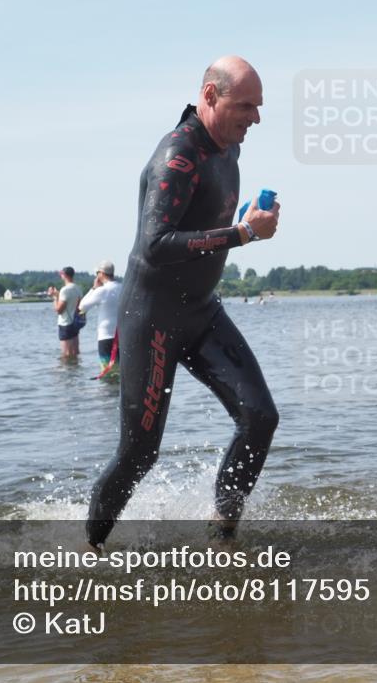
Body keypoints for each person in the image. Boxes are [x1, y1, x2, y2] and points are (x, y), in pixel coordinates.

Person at [87, 56, 280, 549]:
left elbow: (204, 218)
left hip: (201, 311)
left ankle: (223, 531)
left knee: (260, 416)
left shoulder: (228, 149)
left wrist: (243, 219)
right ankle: (90, 548)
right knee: (139, 454)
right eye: (247, 106)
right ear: (210, 96)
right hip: (151, 318)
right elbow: (155, 245)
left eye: (258, 107)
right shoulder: (178, 154)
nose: (255, 118)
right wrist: (241, 233)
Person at [78, 260, 122, 374]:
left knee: (108, 374)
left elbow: (82, 307)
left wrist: (94, 288)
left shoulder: (102, 291)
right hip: (123, 337)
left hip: (106, 338)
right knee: (121, 373)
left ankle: (108, 392)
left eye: (97, 273)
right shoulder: (123, 287)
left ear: (101, 274)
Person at [47, 267, 84, 359]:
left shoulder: (65, 290)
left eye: (61, 274)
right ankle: (76, 371)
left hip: (65, 324)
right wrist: (58, 295)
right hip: (75, 323)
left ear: (65, 275)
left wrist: (55, 298)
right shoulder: (78, 288)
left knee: (66, 354)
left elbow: (59, 310)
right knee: (75, 352)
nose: (60, 276)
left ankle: (67, 372)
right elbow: (78, 306)